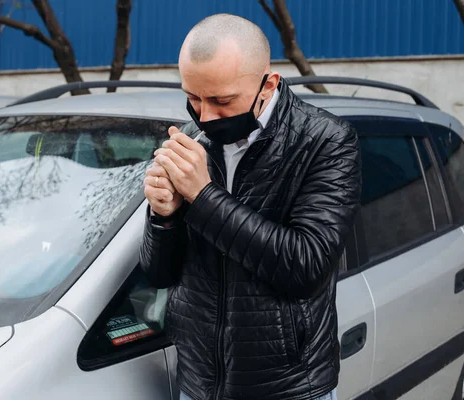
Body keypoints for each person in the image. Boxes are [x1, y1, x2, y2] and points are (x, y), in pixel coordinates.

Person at [140, 13, 361, 400]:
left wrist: (203, 196)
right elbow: (160, 274)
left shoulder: (326, 141)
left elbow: (305, 266)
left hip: (290, 388)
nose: (205, 117)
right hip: (199, 385)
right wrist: (163, 216)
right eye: (193, 97)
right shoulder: (194, 141)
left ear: (268, 84)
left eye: (222, 101)